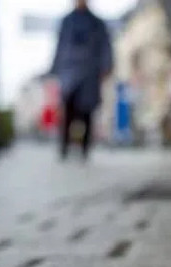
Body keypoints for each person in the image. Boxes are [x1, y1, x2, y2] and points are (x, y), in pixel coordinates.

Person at [50, 0, 113, 161]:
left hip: (89, 72)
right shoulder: (67, 21)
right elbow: (60, 46)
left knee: (86, 113)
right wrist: (55, 71)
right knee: (68, 111)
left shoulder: (97, 23)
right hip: (69, 72)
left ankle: (85, 150)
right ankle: (64, 148)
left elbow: (105, 46)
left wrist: (106, 66)